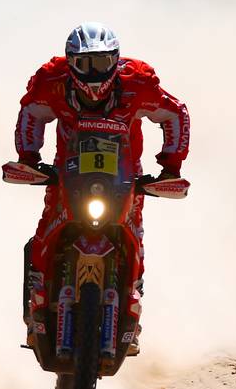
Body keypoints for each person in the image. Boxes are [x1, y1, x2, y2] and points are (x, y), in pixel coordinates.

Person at [14, 22, 189, 350]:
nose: (94, 73)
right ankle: (35, 313)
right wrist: (28, 158)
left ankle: (132, 319)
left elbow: (175, 113)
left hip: (125, 176)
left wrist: (170, 167)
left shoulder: (138, 83)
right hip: (67, 173)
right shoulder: (51, 81)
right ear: (70, 63)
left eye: (102, 62)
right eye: (85, 64)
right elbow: (31, 113)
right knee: (44, 235)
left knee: (133, 235)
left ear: (115, 59)